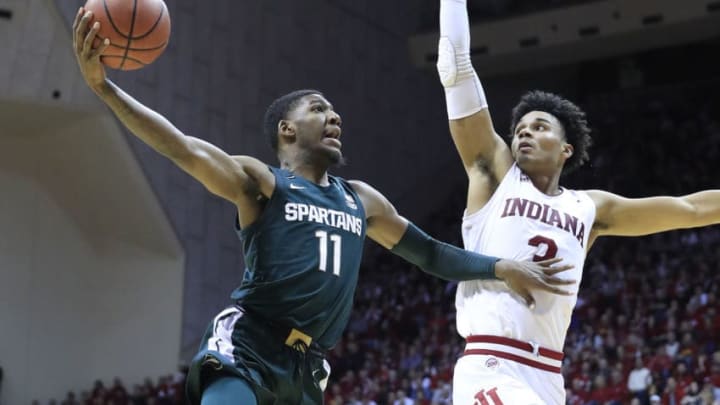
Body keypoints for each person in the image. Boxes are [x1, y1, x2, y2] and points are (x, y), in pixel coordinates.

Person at [72, 7, 576, 405]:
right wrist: (105, 88)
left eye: (334, 111)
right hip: (249, 344)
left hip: (308, 365)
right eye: (318, 109)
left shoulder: (362, 200)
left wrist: (501, 267)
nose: (333, 116)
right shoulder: (261, 183)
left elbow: (431, 254)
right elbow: (182, 146)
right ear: (286, 130)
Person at [436, 0, 720, 403]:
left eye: (539, 126)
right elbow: (456, 67)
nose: (524, 134)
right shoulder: (496, 175)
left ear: (566, 148)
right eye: (519, 129)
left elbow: (690, 209)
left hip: (549, 375)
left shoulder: (591, 209)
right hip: (492, 363)